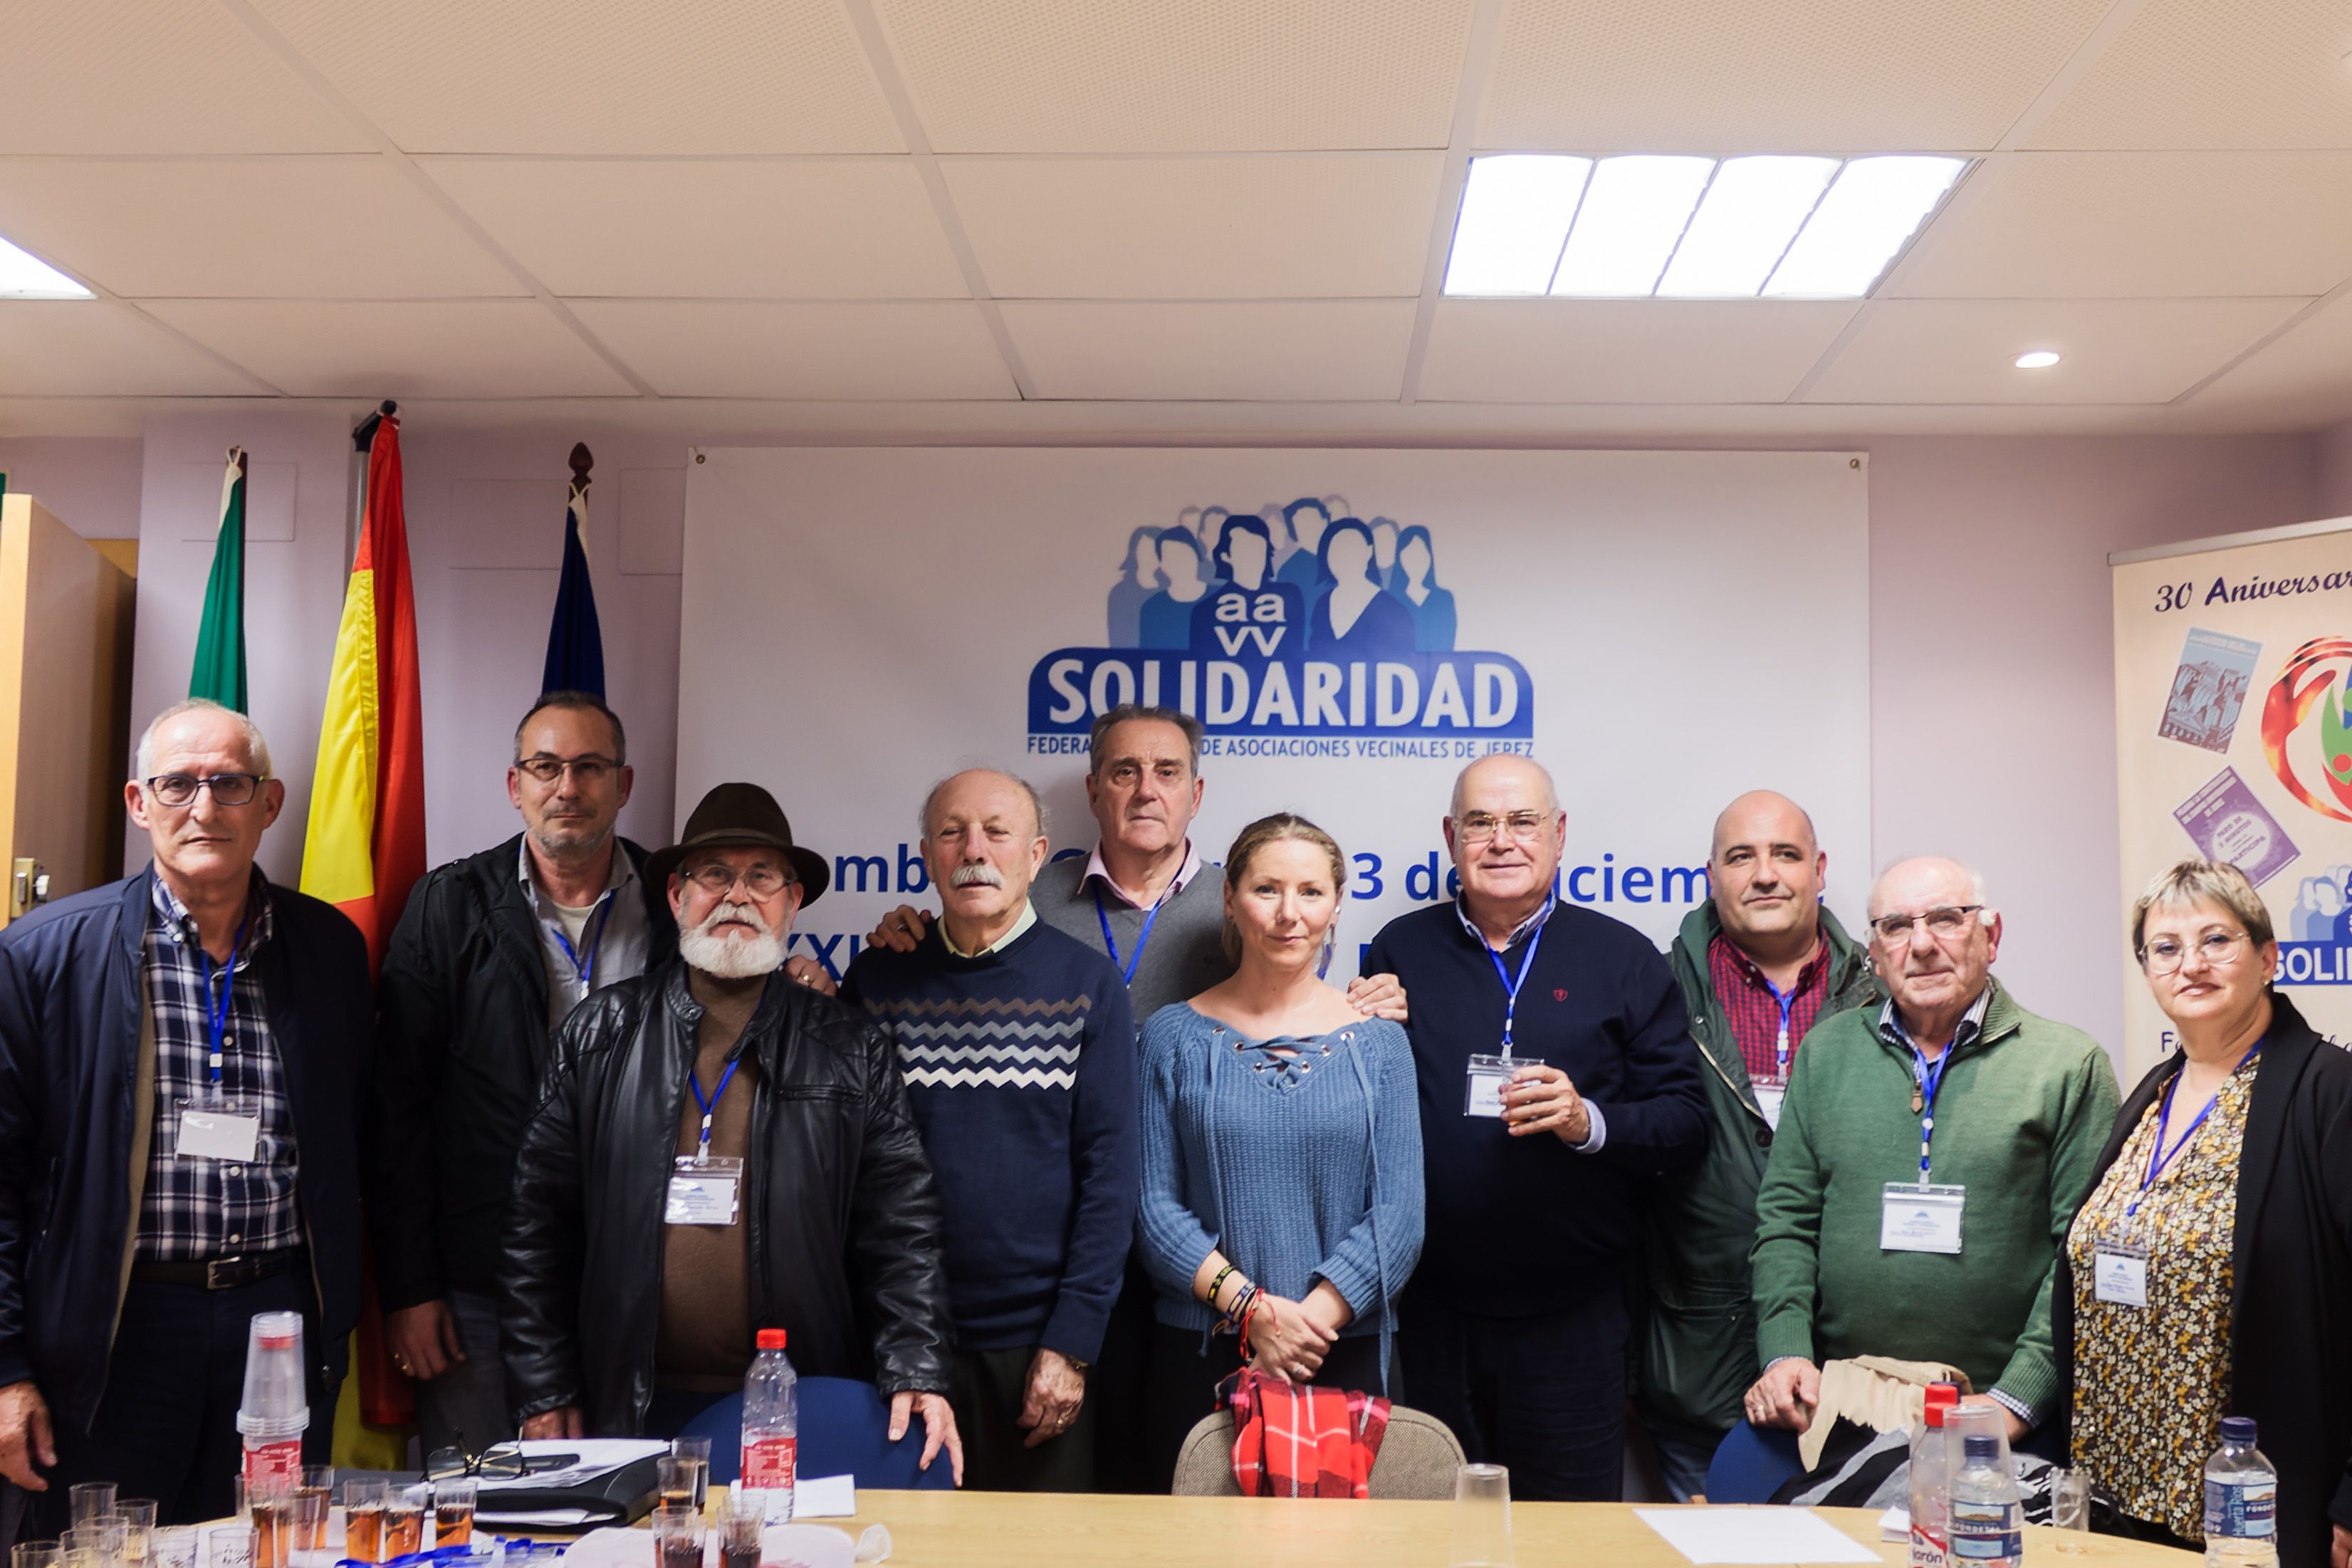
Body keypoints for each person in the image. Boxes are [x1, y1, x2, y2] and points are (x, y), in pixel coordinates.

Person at [862, 703, 1407, 1492]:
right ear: (1092, 790)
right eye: (1124, 771)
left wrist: (1377, 1000)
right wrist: (900, 931)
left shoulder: (1250, 894)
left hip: (1127, 1283)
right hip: (1116, 1276)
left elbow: (1395, 1201)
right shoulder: (1027, 890)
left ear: (1197, 790)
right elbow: (964, 929)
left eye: (1167, 772)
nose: (1146, 791)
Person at [501, 783, 961, 1479]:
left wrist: (917, 1367)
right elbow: (537, 1228)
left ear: (793, 900)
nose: (737, 895)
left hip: (798, 1403)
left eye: (762, 876)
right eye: (714, 874)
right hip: (626, 1404)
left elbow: (901, 1231)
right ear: (676, 896)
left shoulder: (850, 1046)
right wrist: (544, 1385)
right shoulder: (597, 1036)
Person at [0, 700, 372, 1524]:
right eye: (178, 785)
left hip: (275, 1322)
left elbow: (362, 1140)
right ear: (139, 804)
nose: (203, 809)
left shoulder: (329, 952)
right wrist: (6, 1369)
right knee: (108, 1545)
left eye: (230, 784)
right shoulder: (43, 955)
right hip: (119, 1327)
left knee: (264, 1542)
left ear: (270, 804)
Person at [1364, 754, 1708, 1500]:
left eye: (1523, 822)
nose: (1501, 840)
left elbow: (1686, 1124)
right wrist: (1359, 1024)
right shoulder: (1401, 949)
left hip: (1572, 1320)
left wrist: (1589, 1120)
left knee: (1567, 1537)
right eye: (1481, 822)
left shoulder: (1624, 958)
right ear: (1451, 837)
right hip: (1432, 1312)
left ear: (1559, 836)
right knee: (1432, 1532)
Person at [370, 691, 676, 1458]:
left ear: (624, 784)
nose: (566, 787)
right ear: (516, 786)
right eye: (546, 767)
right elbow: (394, 1107)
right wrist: (411, 1287)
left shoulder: (678, 909)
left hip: (640, 1279)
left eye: (588, 767)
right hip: (479, 1281)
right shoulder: (449, 906)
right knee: (484, 1513)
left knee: (629, 1510)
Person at [1746, 855, 2120, 1458]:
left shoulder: (2066, 1066)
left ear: (1990, 936)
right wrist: (1786, 1351)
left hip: (1991, 1409)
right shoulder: (1827, 1053)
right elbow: (1785, 1223)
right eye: (1896, 926)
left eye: (1945, 919)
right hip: (1842, 1400)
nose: (1920, 945)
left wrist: (2019, 1400)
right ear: (1874, 949)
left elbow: (2080, 1256)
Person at [841, 770, 1138, 1493]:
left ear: (1036, 855)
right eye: (953, 832)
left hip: (1036, 1350)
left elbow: (1111, 1179)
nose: (974, 850)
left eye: (997, 832)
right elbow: (847, 1174)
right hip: (900, 1344)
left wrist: (1071, 1344)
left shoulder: (1090, 985)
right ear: (926, 857)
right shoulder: (876, 981)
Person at [2054, 860, 2352, 1568]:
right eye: (2166, 948)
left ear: (2268, 957)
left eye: (2216, 940)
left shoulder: (2329, 1091)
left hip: (2245, 1509)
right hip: (2116, 1497)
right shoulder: (2151, 1095)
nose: (2191, 964)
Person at [1136, 813, 1423, 1488]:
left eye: (1310, 892)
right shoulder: (1170, 1038)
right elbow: (1151, 1207)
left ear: (1336, 904)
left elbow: (1400, 1213)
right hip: (1205, 1349)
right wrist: (1255, 1312)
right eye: (1267, 890)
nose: (1289, 914)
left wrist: (1308, 1325)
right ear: (1230, 898)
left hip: (1342, 1349)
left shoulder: (1381, 1046)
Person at [1638, 791, 1878, 1500]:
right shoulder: (1653, 989)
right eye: (1742, 856)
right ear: (1711, 874)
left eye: (1786, 855)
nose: (1765, 874)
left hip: (1849, 1377)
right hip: (1695, 1370)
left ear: (1821, 869)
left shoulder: (1886, 992)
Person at [1188, 516, 1305, 658]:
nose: (1254, 556)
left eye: (1259, 548)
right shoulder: (1205, 612)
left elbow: (1295, 654)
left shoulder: (1289, 596)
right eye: (1244, 548)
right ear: (1226, 556)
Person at [1308, 520, 1415, 659]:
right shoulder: (1323, 604)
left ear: (1369, 552)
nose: (1344, 557)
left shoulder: (1393, 611)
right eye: (1336, 550)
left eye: (1352, 549)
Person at [1138, 530, 1212, 649]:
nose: (1181, 562)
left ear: (1197, 556)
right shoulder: (1152, 608)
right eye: (1172, 557)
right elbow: (1147, 656)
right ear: (1161, 564)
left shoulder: (1221, 598)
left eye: (1185, 554)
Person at [1388, 525, 1456, 652]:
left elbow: (1446, 643)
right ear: (1400, 559)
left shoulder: (1444, 599)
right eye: (1410, 554)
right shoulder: (1389, 600)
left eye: (1422, 553)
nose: (1416, 560)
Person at [1106, 527, 1163, 647]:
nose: (1149, 557)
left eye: (1154, 551)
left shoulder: (1172, 590)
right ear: (1134, 552)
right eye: (1144, 551)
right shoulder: (1120, 593)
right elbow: (1118, 640)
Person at [1274, 498, 1332, 597]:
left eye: (1313, 520)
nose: (1310, 528)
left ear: (1325, 522)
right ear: (1293, 532)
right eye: (1302, 524)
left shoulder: (1340, 558)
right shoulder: (1288, 571)